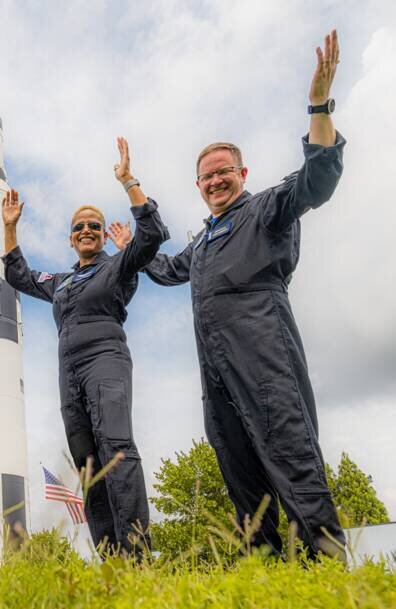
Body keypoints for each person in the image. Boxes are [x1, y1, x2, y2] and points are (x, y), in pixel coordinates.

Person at [137, 30, 346, 558]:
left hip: (264, 350)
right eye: (206, 177)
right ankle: (266, 570)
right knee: (238, 466)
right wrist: (134, 240)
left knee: (291, 453)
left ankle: (325, 566)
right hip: (217, 367)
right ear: (198, 185)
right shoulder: (203, 241)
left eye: (223, 172)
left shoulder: (265, 208)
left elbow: (316, 180)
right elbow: (164, 270)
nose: (214, 182)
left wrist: (319, 105)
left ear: (242, 173)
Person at [0, 137, 169, 556]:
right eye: (80, 227)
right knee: (88, 464)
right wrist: (10, 228)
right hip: (68, 374)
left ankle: (138, 557)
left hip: (106, 360)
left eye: (95, 225)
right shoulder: (59, 282)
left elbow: (151, 236)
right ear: (70, 239)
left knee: (117, 450)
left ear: (104, 236)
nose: (88, 230)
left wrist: (129, 181)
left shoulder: (119, 264)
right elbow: (20, 276)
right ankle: (111, 557)